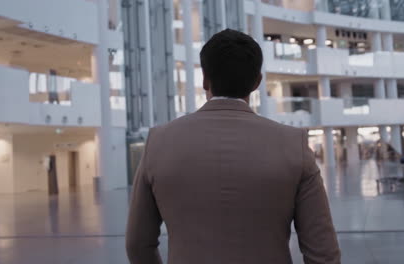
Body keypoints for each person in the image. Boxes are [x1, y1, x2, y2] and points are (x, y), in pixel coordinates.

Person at [126, 29, 341, 264]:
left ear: (205, 79)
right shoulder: (293, 144)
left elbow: (138, 245)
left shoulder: (159, 142)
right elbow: (324, 254)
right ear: (257, 82)